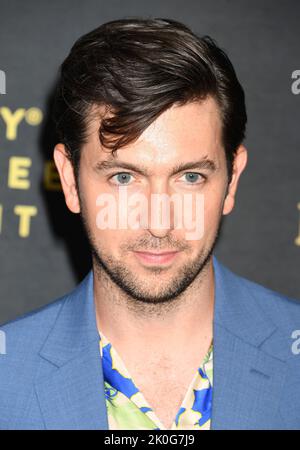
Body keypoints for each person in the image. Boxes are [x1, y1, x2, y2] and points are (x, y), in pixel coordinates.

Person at [0, 17, 300, 430]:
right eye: (124, 178)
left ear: (232, 180)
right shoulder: (7, 379)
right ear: (70, 181)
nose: (159, 222)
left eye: (190, 177)